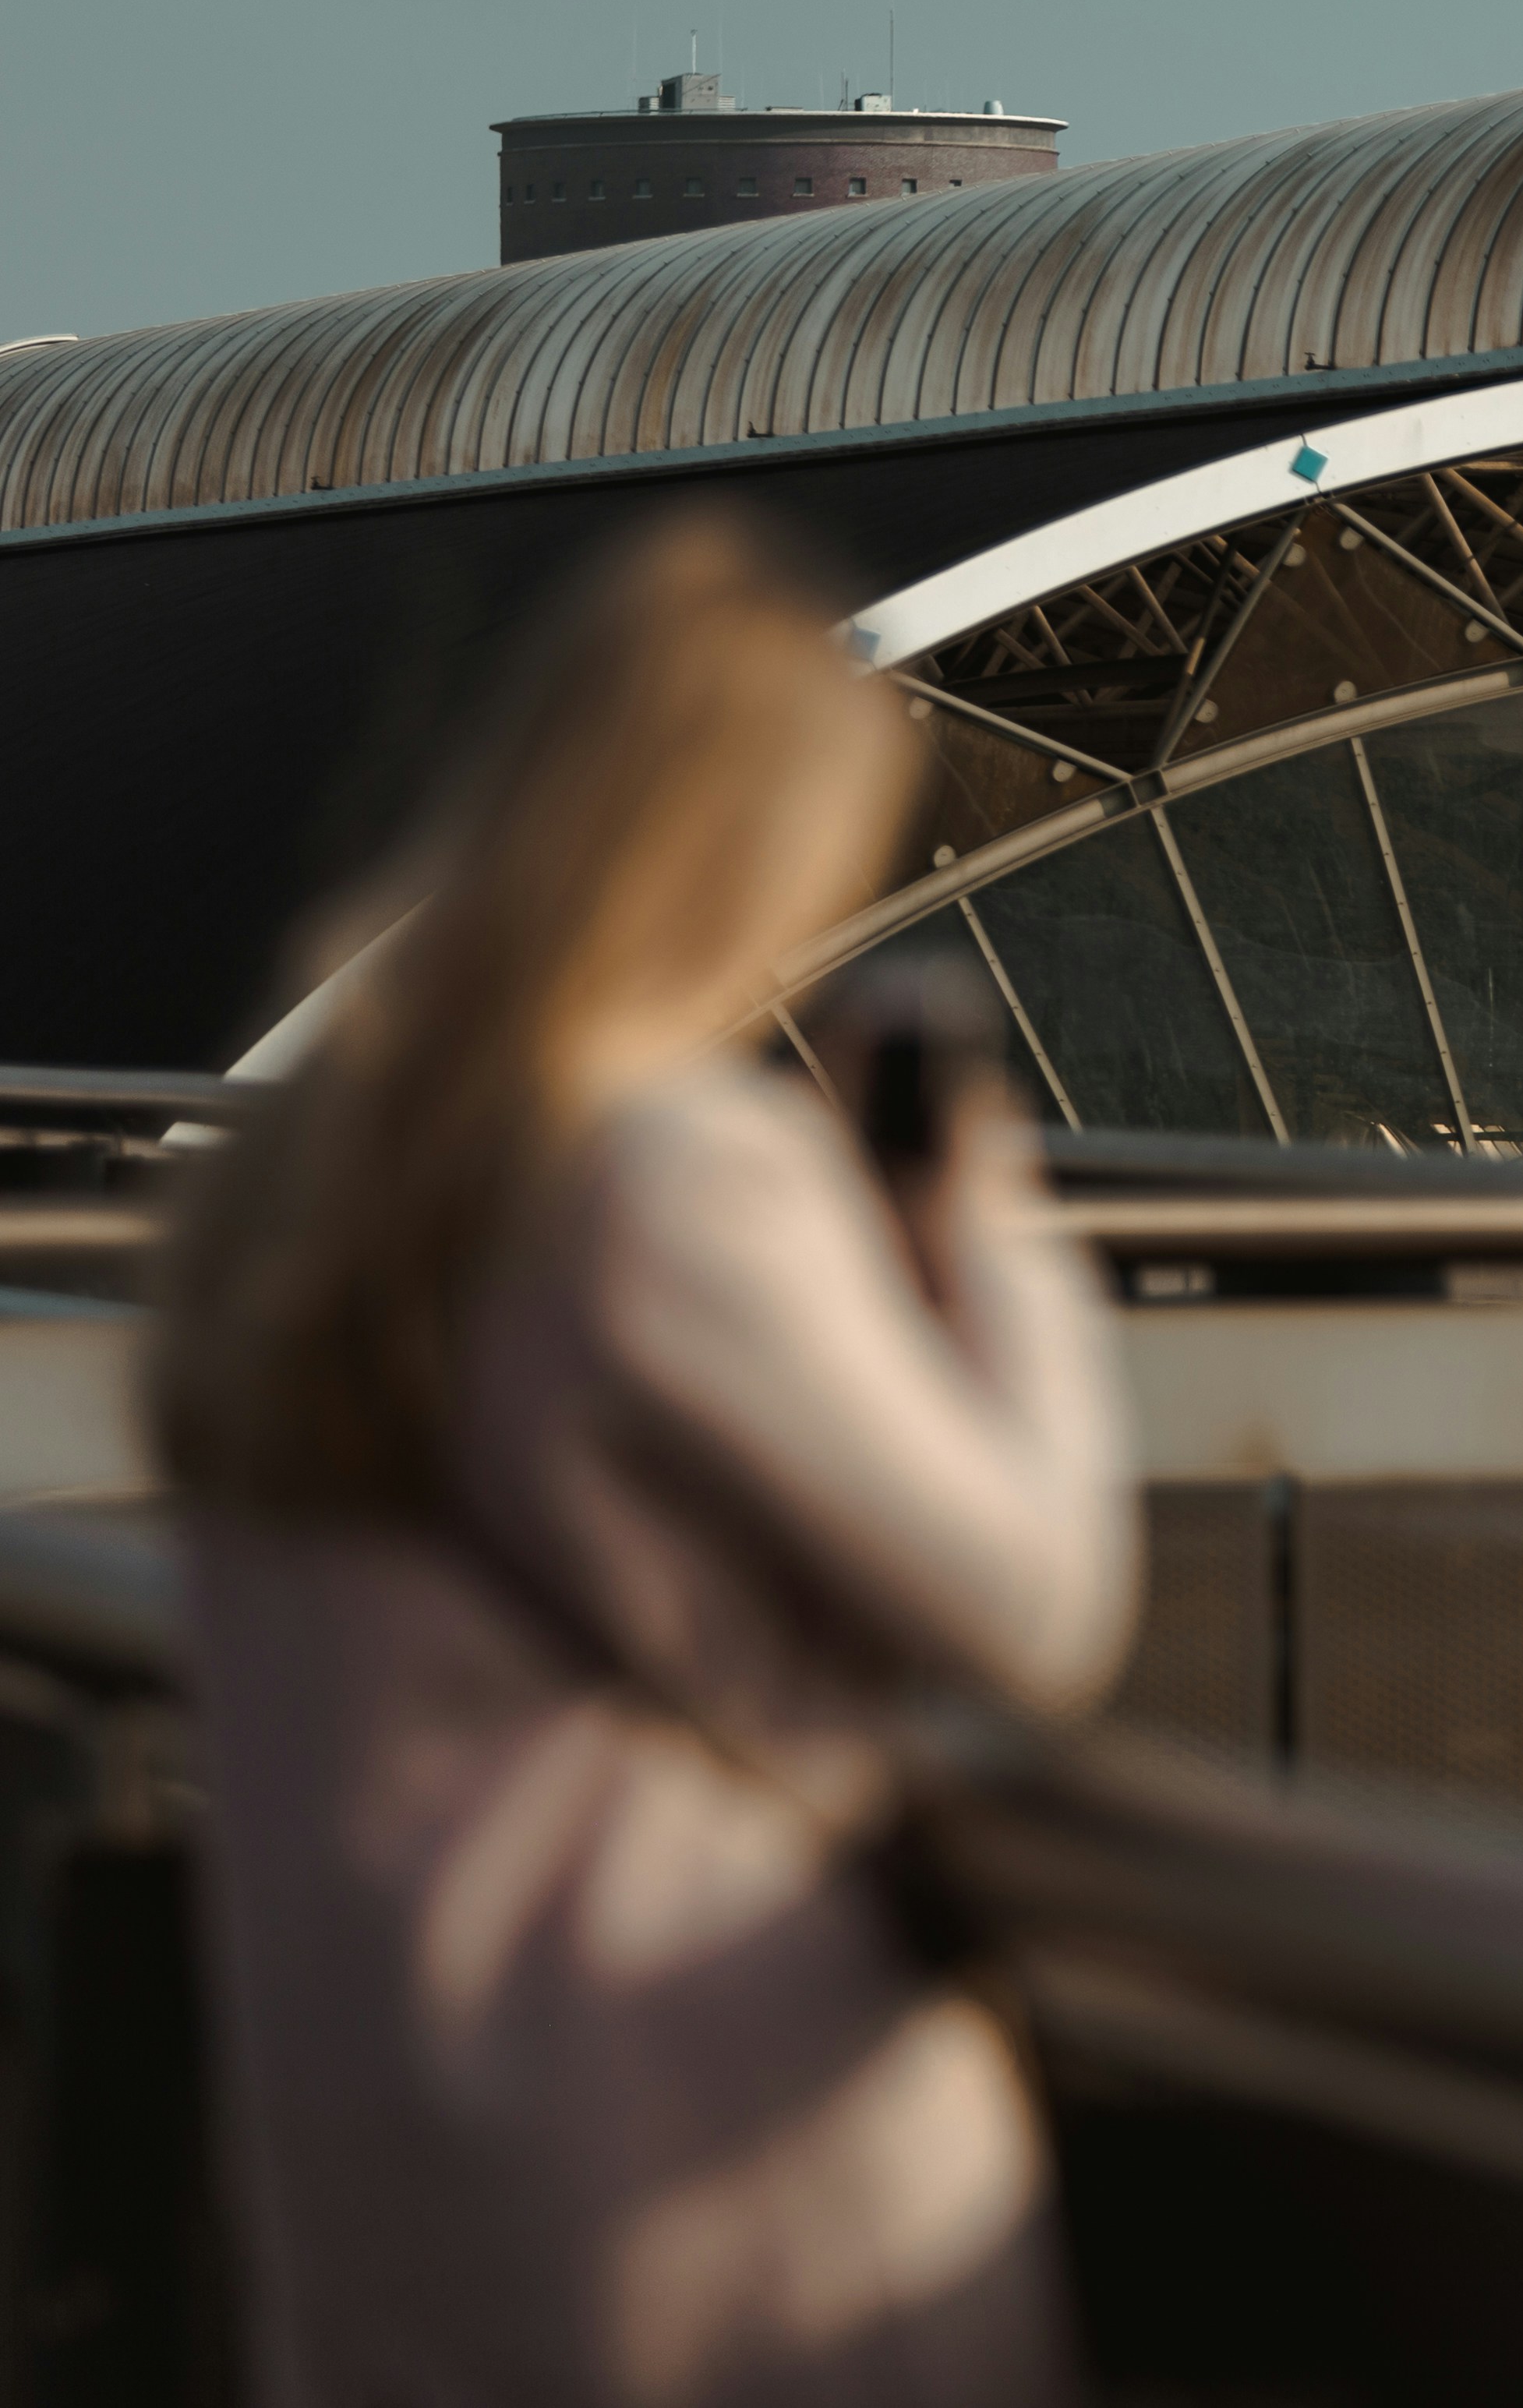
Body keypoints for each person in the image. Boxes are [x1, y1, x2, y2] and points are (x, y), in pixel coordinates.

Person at [150, 513, 1138, 2408]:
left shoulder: (305, 1178)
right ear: (753, 862)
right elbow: (1038, 1603)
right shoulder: (661, 1176)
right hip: (718, 2142)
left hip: (379, 2162)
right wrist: (986, 1230)